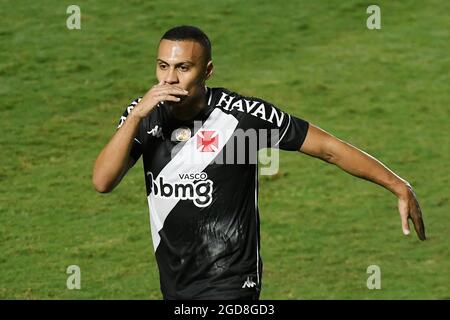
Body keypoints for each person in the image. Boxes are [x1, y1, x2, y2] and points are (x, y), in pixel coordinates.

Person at [92, 25, 426, 300]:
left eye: (183, 68)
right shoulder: (145, 116)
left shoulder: (244, 118)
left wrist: (398, 185)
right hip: (175, 282)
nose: (169, 79)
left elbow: (328, 147)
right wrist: (135, 115)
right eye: (163, 66)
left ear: (207, 71)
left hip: (230, 283)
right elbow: (102, 181)